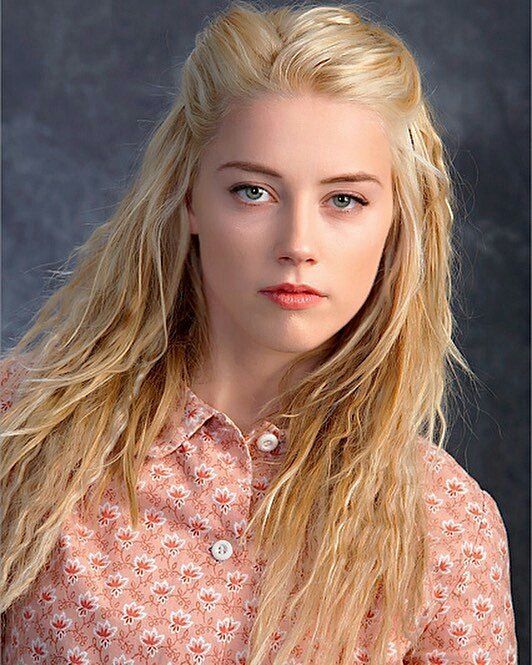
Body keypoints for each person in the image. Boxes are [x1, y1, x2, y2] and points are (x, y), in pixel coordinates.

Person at [0, 2, 518, 664]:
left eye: (344, 200)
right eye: (253, 191)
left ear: (397, 222)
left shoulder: (445, 524)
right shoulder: (22, 431)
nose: (297, 243)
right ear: (189, 198)